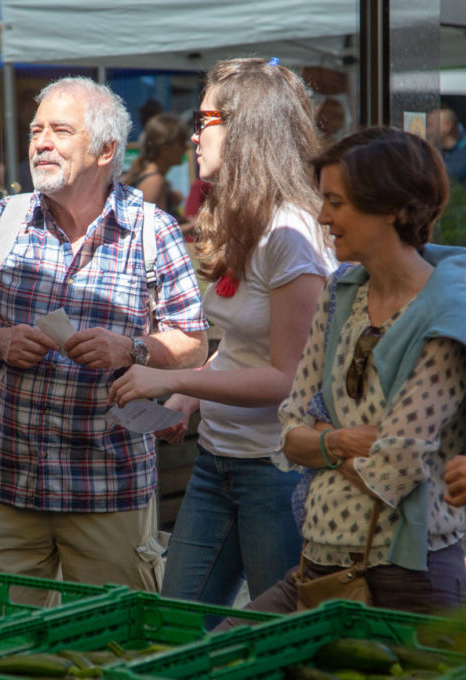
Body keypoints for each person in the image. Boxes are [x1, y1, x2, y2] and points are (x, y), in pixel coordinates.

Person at [0, 76, 208, 603]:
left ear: (106, 149)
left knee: (108, 647)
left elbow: (192, 343)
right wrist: (1, 343)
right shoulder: (4, 219)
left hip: (107, 488)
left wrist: (130, 348)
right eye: (35, 130)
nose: (41, 142)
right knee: (4, 648)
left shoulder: (152, 231)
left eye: (60, 130)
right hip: (8, 485)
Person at [109, 57, 335, 611]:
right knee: (177, 627)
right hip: (218, 461)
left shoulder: (291, 234)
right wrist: (183, 398)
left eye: (204, 118)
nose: (193, 134)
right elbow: (238, 350)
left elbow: (287, 380)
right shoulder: (247, 219)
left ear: (245, 127)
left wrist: (171, 377)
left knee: (275, 644)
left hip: (274, 474)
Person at [239, 126, 466, 615]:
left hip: (406, 578)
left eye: (336, 202)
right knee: (220, 657)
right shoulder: (343, 291)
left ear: (392, 208)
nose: (323, 217)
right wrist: (340, 441)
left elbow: (394, 472)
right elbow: (288, 429)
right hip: (317, 566)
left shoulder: (445, 314)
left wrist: (317, 443)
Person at [122, 112, 189, 216]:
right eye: (181, 144)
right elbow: (152, 230)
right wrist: (195, 225)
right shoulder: (155, 182)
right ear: (164, 147)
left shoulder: (151, 178)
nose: (186, 148)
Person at [427, 106, 466, 184]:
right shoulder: (442, 150)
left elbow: (444, 177)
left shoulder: (462, 156)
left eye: (431, 126)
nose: (427, 132)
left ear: (447, 126)